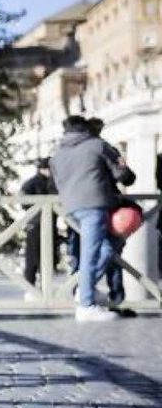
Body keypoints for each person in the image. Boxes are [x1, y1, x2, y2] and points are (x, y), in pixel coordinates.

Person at [50, 115, 135, 322]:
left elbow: (56, 183)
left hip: (70, 208)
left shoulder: (57, 154)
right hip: (94, 205)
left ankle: (85, 289)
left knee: (105, 248)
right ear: (86, 129)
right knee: (92, 253)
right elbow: (123, 176)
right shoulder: (98, 145)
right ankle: (86, 305)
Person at [19, 158, 58, 297]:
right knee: (33, 257)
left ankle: (45, 288)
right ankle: (30, 287)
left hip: (49, 223)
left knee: (47, 258)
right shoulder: (32, 183)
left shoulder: (53, 182)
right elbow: (23, 202)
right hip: (35, 224)